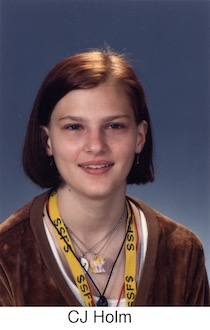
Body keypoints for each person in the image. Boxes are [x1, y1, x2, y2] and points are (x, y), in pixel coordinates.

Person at [0, 49, 209, 307]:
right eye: (74, 127)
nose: (96, 145)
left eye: (114, 126)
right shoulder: (5, 254)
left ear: (139, 138)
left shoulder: (183, 252)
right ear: (47, 141)